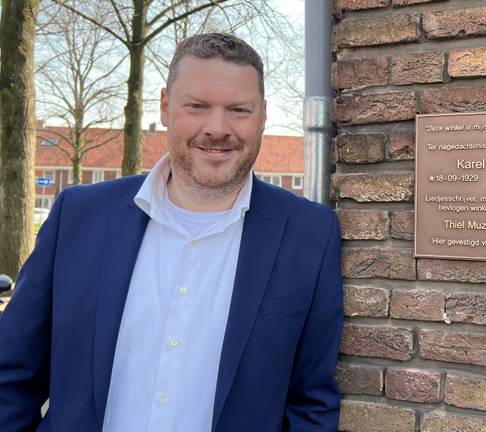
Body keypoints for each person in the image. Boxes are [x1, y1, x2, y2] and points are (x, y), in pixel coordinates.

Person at [0, 33, 343, 431]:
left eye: (238, 109)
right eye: (197, 106)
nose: (217, 128)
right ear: (165, 107)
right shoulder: (78, 216)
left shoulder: (309, 235)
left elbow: (312, 402)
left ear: (263, 116)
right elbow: (11, 375)